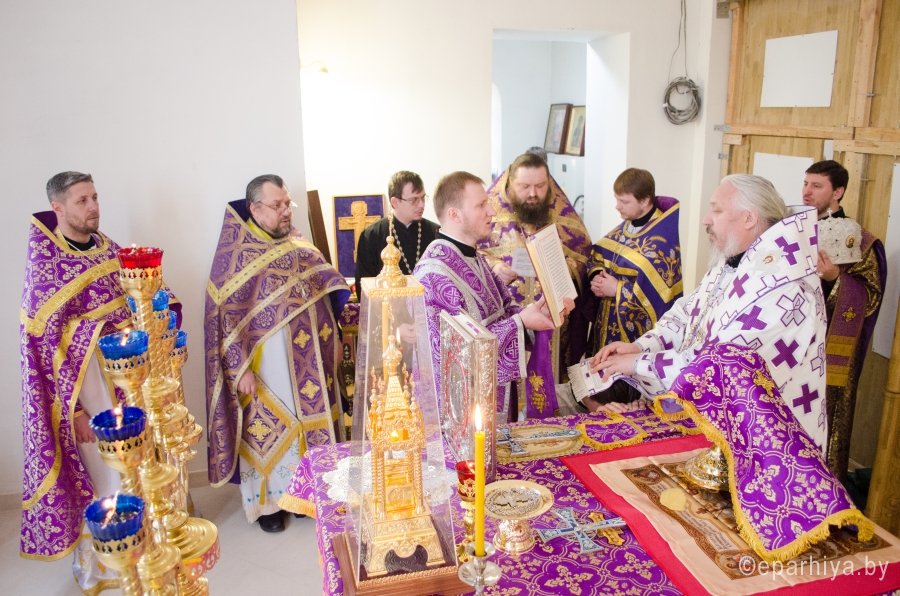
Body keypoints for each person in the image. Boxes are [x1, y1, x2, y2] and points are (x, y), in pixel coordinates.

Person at [19, 171, 178, 591]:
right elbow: (42, 352)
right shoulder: (45, 267)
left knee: (136, 469)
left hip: (126, 385)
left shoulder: (106, 249)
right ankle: (106, 568)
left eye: (94, 197)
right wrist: (74, 413)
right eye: (82, 201)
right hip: (87, 397)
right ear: (58, 208)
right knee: (103, 479)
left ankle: (144, 552)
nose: (93, 207)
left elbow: (135, 304)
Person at [587, 174, 827, 450]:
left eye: (717, 210)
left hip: (770, 445)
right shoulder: (734, 263)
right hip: (722, 431)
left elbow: (720, 369)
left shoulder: (785, 288)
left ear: (749, 218)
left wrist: (639, 364)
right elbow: (685, 315)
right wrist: (640, 346)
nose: (706, 219)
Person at [205, 174, 350, 533]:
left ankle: (305, 494)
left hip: (311, 361)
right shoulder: (235, 258)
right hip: (267, 367)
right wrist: (239, 369)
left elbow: (326, 291)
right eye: (277, 205)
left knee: (308, 425)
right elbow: (225, 318)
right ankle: (268, 505)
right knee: (268, 430)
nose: (286, 210)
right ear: (255, 209)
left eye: (287, 203)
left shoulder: (297, 243)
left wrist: (337, 334)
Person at [414, 171, 572, 421]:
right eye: (481, 205)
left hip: (494, 403)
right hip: (462, 418)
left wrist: (537, 312)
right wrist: (521, 322)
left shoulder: (473, 257)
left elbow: (505, 310)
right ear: (454, 214)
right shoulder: (434, 275)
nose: (492, 211)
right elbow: (459, 353)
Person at [479, 152, 591, 412]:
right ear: (509, 183)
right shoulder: (487, 214)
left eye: (540, 186)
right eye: (524, 186)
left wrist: (561, 268)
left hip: (553, 324)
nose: (533, 194)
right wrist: (494, 268)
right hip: (508, 322)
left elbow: (582, 256)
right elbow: (471, 256)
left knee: (550, 390)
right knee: (510, 398)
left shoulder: (562, 214)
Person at [803, 160, 886, 481]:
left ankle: (822, 485)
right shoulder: (795, 229)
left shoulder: (862, 242)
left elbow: (871, 295)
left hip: (830, 346)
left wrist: (836, 277)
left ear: (838, 192)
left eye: (817, 186)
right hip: (792, 340)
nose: (807, 191)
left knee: (824, 415)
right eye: (806, 183)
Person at [568, 168, 683, 364]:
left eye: (624, 201)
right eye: (617, 199)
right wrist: (596, 276)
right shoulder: (629, 225)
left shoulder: (661, 242)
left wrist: (617, 289)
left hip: (633, 340)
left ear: (645, 201)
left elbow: (659, 299)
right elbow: (599, 254)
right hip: (604, 325)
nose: (617, 206)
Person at [355, 170, 440, 348]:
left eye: (423, 198)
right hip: (388, 333)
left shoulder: (435, 234)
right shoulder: (372, 236)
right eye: (414, 200)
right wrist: (394, 327)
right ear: (395, 202)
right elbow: (367, 292)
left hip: (429, 327)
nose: (421, 205)